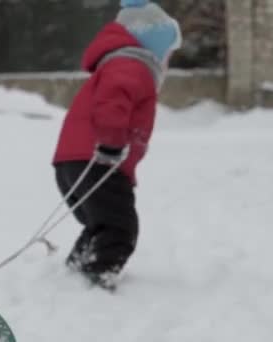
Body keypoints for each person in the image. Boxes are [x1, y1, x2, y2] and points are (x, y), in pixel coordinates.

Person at [52, 0, 182, 290]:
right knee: (120, 227)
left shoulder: (120, 63)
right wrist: (111, 144)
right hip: (98, 160)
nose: (167, 62)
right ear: (152, 45)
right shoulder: (131, 65)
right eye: (167, 53)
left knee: (101, 225)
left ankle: (76, 272)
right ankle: (97, 278)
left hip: (75, 163)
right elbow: (112, 103)